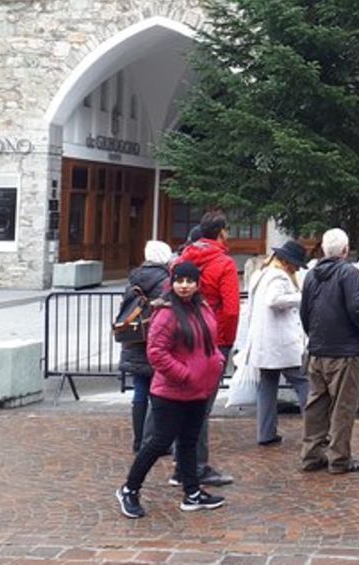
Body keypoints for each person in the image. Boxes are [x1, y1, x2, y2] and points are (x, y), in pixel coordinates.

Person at [117, 261, 227, 519]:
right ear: (172, 282)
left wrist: (216, 365)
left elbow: (210, 340)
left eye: (190, 281)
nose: (185, 286)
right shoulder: (166, 313)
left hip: (199, 389)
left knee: (188, 442)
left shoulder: (202, 307)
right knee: (159, 442)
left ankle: (192, 492)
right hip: (171, 392)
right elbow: (156, 353)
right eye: (180, 281)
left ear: (197, 283)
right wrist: (184, 374)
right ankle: (129, 489)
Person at [167, 210, 240, 486]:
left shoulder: (183, 259)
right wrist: (226, 341)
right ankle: (195, 466)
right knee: (201, 406)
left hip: (183, 336)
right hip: (213, 339)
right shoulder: (224, 263)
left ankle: (180, 463)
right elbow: (231, 309)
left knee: (182, 401)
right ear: (221, 231)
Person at [299, 227, 359, 473]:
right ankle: (339, 458)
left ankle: (312, 454)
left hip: (318, 348)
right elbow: (357, 308)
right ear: (345, 250)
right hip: (343, 350)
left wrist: (315, 335)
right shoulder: (349, 273)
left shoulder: (311, 275)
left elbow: (305, 312)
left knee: (316, 404)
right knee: (343, 406)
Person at [238, 240, 311, 447]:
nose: (297, 268)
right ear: (288, 262)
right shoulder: (278, 276)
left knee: (267, 386)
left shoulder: (260, 274)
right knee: (304, 383)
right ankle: (315, 431)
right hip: (281, 344)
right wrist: (301, 297)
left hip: (263, 343)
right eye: (296, 264)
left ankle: (265, 432)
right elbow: (274, 300)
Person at [117, 240, 173, 454]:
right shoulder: (165, 282)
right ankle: (154, 439)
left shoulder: (133, 279)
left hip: (134, 339)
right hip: (156, 339)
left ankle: (139, 440)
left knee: (140, 389)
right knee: (158, 391)